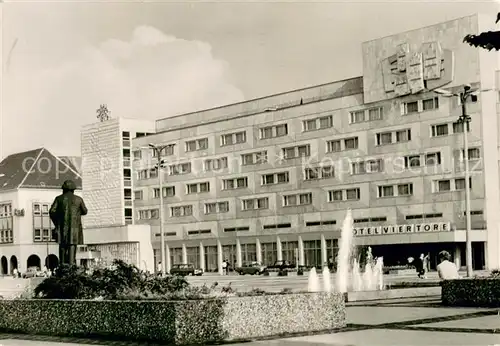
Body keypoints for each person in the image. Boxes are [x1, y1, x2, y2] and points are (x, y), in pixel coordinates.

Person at [49, 180, 88, 266]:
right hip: (74, 228)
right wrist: (76, 213)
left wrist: (57, 222)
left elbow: (52, 211)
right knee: (72, 246)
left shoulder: (59, 199)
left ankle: (62, 265)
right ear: (73, 189)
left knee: (62, 246)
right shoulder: (79, 199)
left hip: (62, 227)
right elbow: (85, 211)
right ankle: (71, 265)